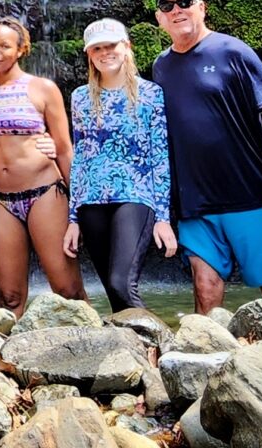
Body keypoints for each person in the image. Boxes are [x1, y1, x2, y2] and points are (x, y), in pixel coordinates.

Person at [152, 0, 262, 313]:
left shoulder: (233, 51)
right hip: (196, 202)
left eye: (184, 3)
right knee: (204, 291)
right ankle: (209, 363)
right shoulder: (160, 66)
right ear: (160, 19)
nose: (177, 11)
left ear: (201, 8)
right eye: (168, 6)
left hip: (250, 194)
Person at [63, 19, 178, 312]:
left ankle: (162, 343)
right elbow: (81, 158)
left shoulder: (150, 94)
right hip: (91, 201)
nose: (105, 53)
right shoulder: (80, 97)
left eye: (111, 45)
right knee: (113, 294)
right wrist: (73, 219)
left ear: (126, 47)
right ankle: (138, 354)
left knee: (121, 283)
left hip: (135, 196)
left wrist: (163, 217)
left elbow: (160, 156)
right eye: (97, 48)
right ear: (89, 54)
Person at [0, 17, 86, 316]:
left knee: (67, 288)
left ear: (21, 50)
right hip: (0, 200)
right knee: (9, 297)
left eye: (5, 46)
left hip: (45, 193)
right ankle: (6, 360)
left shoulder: (42, 89)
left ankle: (92, 344)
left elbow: (64, 149)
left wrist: (78, 209)